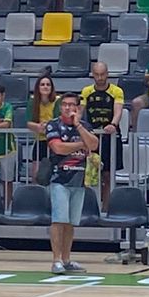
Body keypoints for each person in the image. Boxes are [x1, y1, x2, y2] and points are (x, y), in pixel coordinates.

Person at [43, 92, 99, 273]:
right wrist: (81, 145)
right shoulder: (53, 125)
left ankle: (66, 259)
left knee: (70, 223)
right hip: (59, 178)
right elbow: (57, 147)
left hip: (79, 179)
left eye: (71, 105)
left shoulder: (84, 125)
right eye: (65, 105)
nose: (68, 108)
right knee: (58, 220)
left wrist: (79, 127)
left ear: (77, 107)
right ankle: (56, 260)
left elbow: (94, 144)